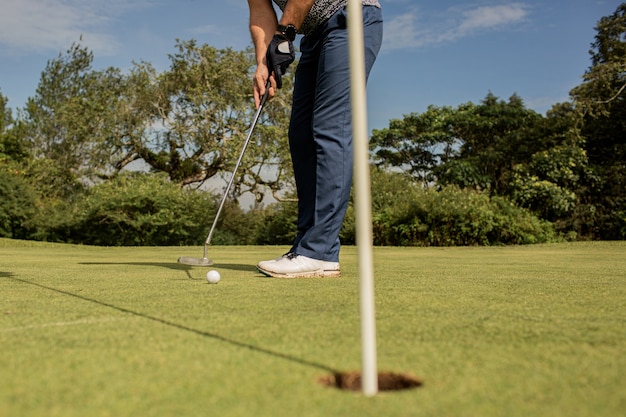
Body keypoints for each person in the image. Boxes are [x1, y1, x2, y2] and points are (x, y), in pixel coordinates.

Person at [248, 0, 383, 278]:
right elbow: (260, 11)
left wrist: (284, 35)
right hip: (315, 33)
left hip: (350, 16)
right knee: (301, 134)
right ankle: (305, 245)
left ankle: (319, 251)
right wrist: (264, 62)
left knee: (329, 127)